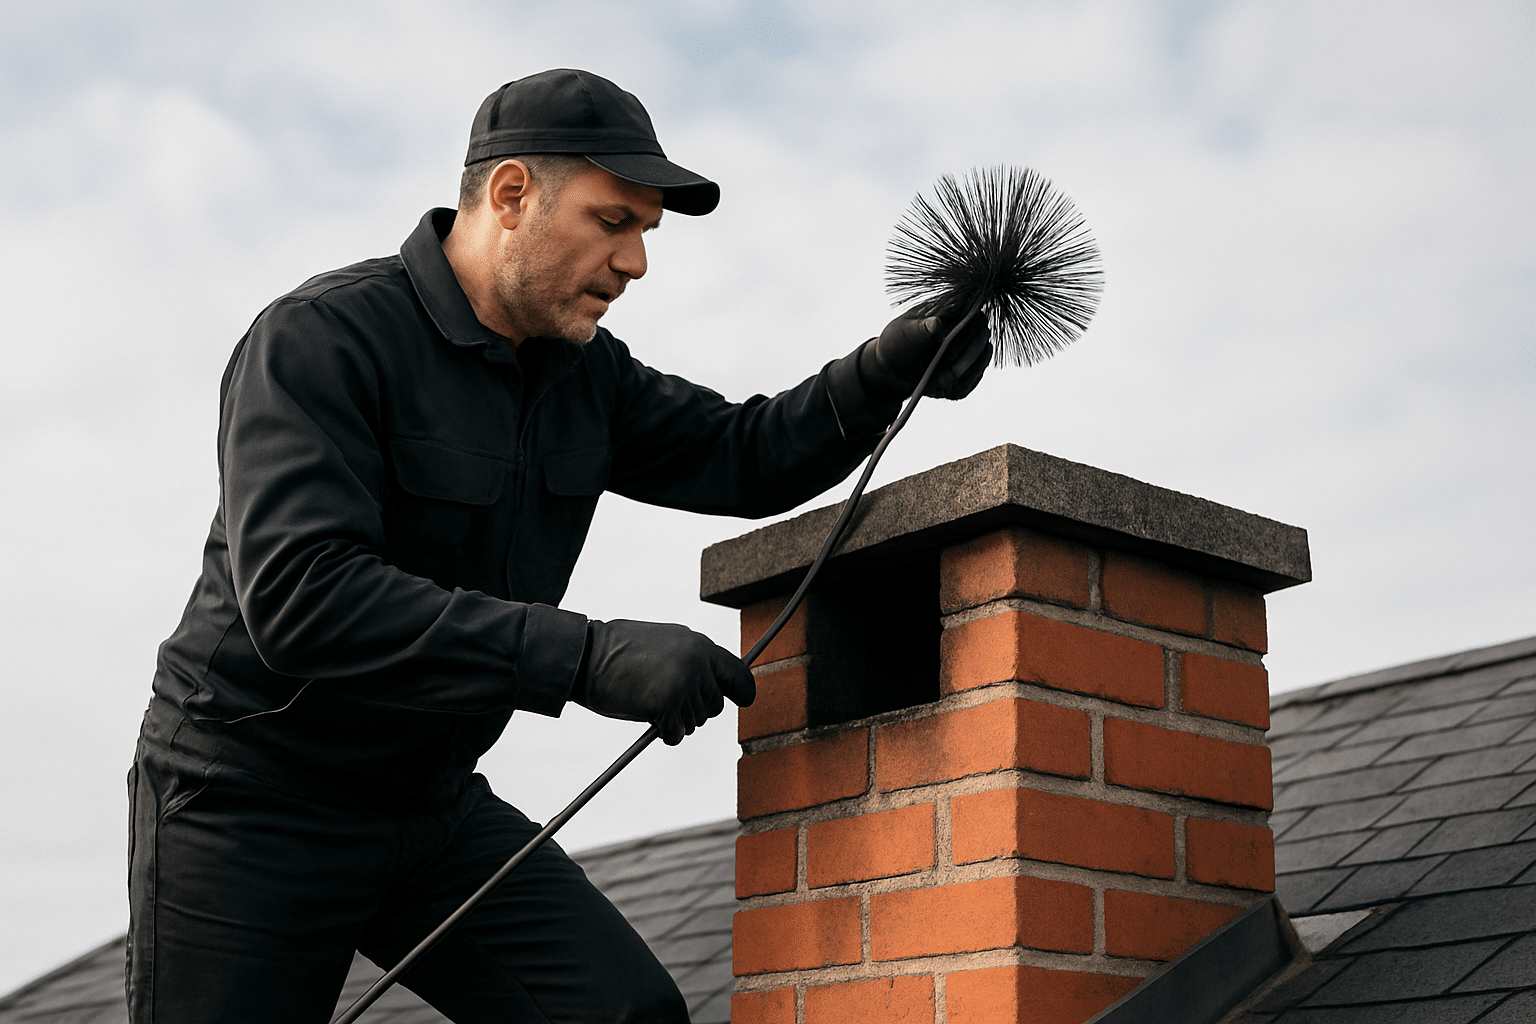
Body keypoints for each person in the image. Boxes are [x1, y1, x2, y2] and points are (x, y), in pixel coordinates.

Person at [127, 69, 991, 1024]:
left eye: (646, 232)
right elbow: (303, 597)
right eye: (614, 221)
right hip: (248, 802)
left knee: (627, 1016)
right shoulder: (321, 339)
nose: (637, 262)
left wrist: (886, 370)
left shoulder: (586, 375)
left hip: (431, 806)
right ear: (511, 195)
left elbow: (744, 456)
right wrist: (588, 656)